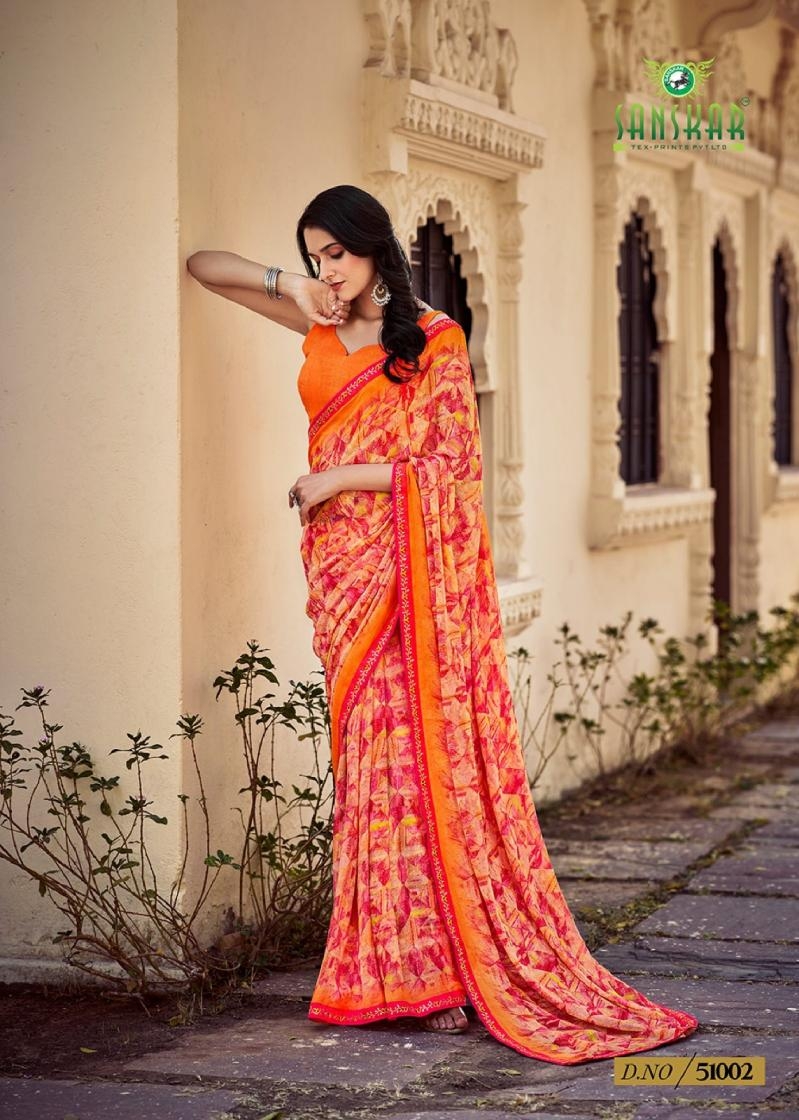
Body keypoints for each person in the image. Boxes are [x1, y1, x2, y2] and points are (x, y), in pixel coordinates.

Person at [186, 184, 698, 1062]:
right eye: (314, 254)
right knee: (367, 772)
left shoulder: (433, 339)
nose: (326, 270)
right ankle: (386, 970)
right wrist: (290, 283)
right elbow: (204, 267)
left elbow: (452, 469)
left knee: (412, 763)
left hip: (406, 572)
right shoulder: (314, 317)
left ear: (374, 248)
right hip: (343, 576)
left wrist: (339, 478)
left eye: (336, 254)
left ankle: (441, 973)